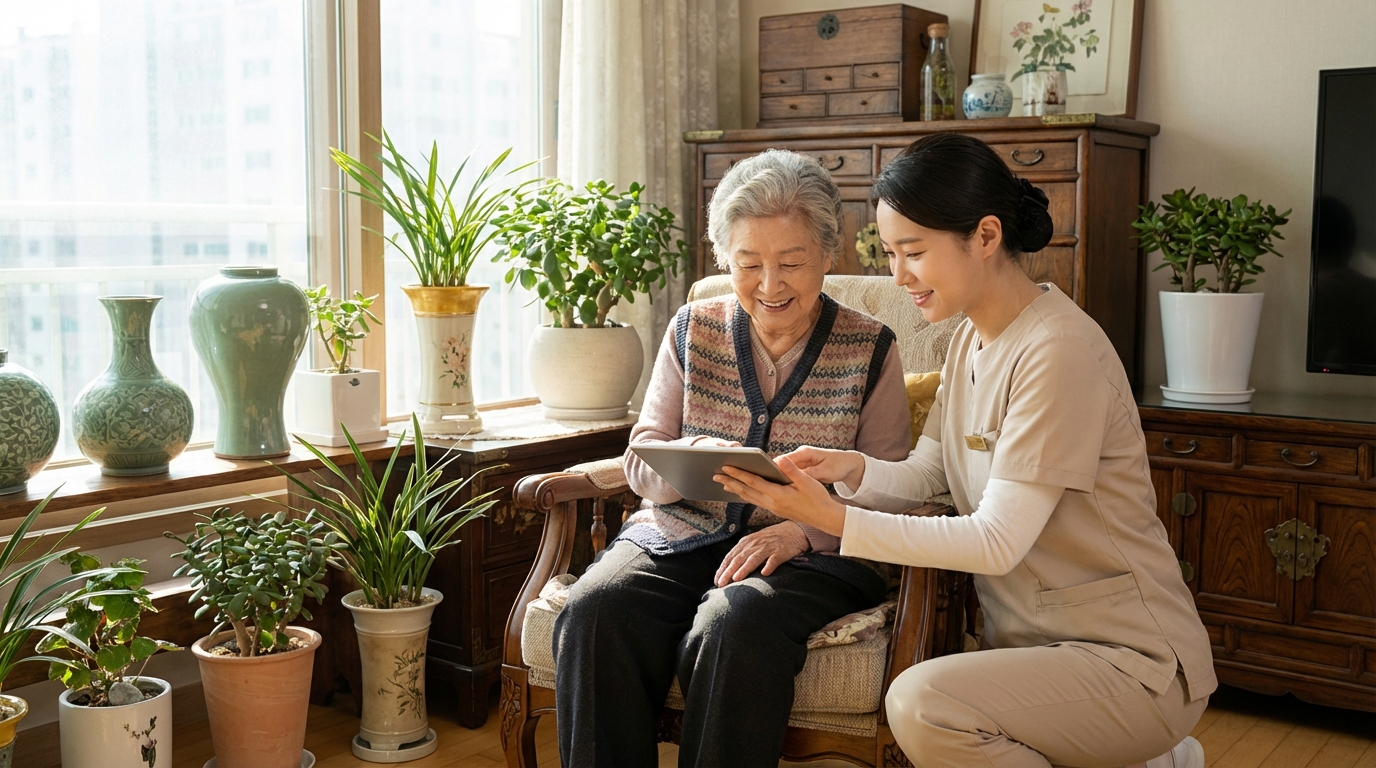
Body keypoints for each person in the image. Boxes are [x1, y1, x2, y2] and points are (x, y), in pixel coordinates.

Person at [716, 133, 1216, 768]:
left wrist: (833, 519)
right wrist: (850, 468)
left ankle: (1149, 753)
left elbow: (997, 541)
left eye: (913, 252)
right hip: (1036, 651)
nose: (898, 276)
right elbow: (931, 470)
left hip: (1131, 661)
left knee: (923, 704)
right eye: (890, 253)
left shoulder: (1058, 351)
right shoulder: (969, 342)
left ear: (985, 236)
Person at [551, 149, 913, 767]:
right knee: (594, 612)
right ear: (725, 259)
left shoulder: (871, 347)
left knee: (733, 625)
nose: (770, 285)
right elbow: (639, 459)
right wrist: (688, 454)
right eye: (748, 264)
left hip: (813, 558)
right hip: (677, 535)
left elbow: (891, 489)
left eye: (791, 263)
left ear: (828, 255)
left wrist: (804, 531)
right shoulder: (691, 328)